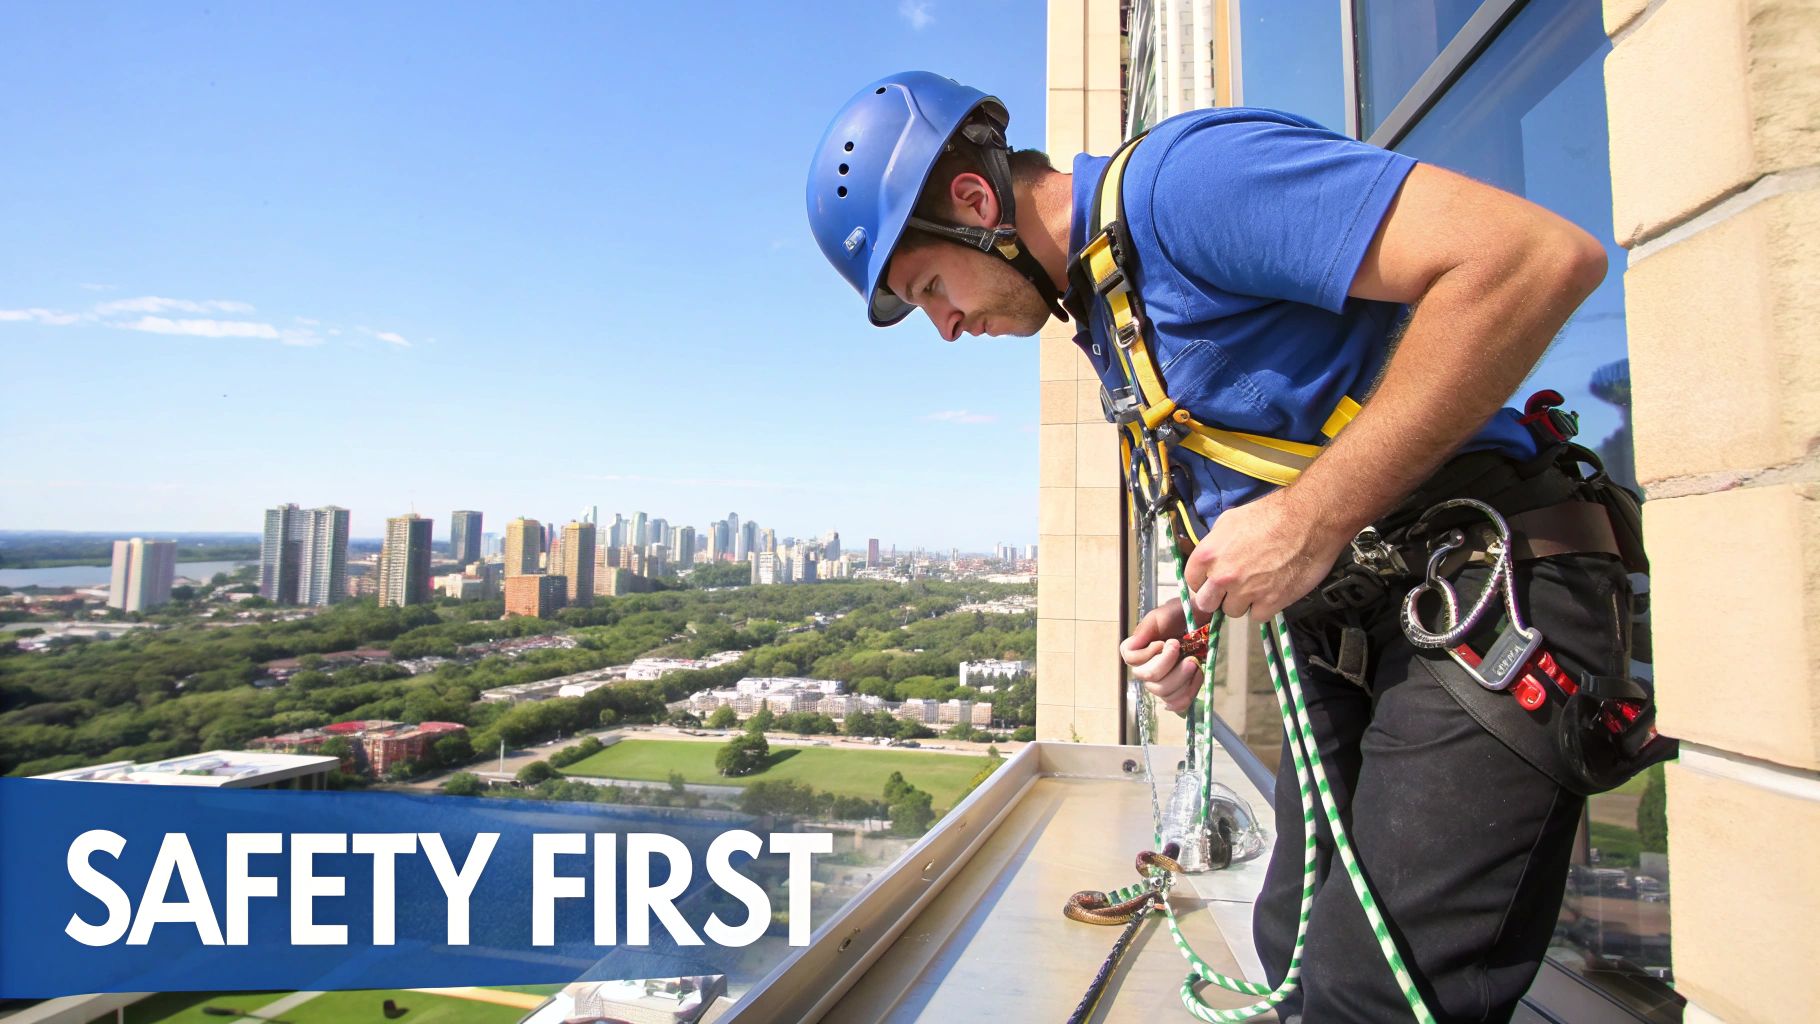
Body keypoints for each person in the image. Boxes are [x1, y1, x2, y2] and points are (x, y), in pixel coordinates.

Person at [806, 72, 1661, 1024]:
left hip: (1483, 588)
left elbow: (1533, 258)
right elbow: (1273, 479)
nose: (948, 325)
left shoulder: (1185, 184)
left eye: (931, 287)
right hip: (1360, 614)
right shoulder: (1108, 308)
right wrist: (1198, 610)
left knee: (1366, 995)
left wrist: (1306, 522)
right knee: (1290, 945)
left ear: (975, 203)